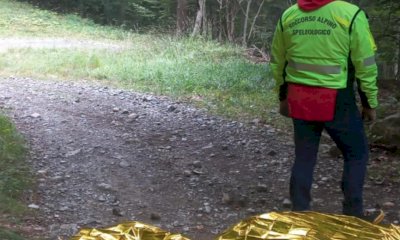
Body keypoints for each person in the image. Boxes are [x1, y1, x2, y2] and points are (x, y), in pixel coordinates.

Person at [270, 0, 382, 222]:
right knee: (356, 153)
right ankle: (353, 216)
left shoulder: (289, 15)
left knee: (304, 155)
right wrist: (369, 102)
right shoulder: (351, 14)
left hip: (300, 96)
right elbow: (365, 64)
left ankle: (299, 213)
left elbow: (278, 61)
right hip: (337, 98)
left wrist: (283, 97)